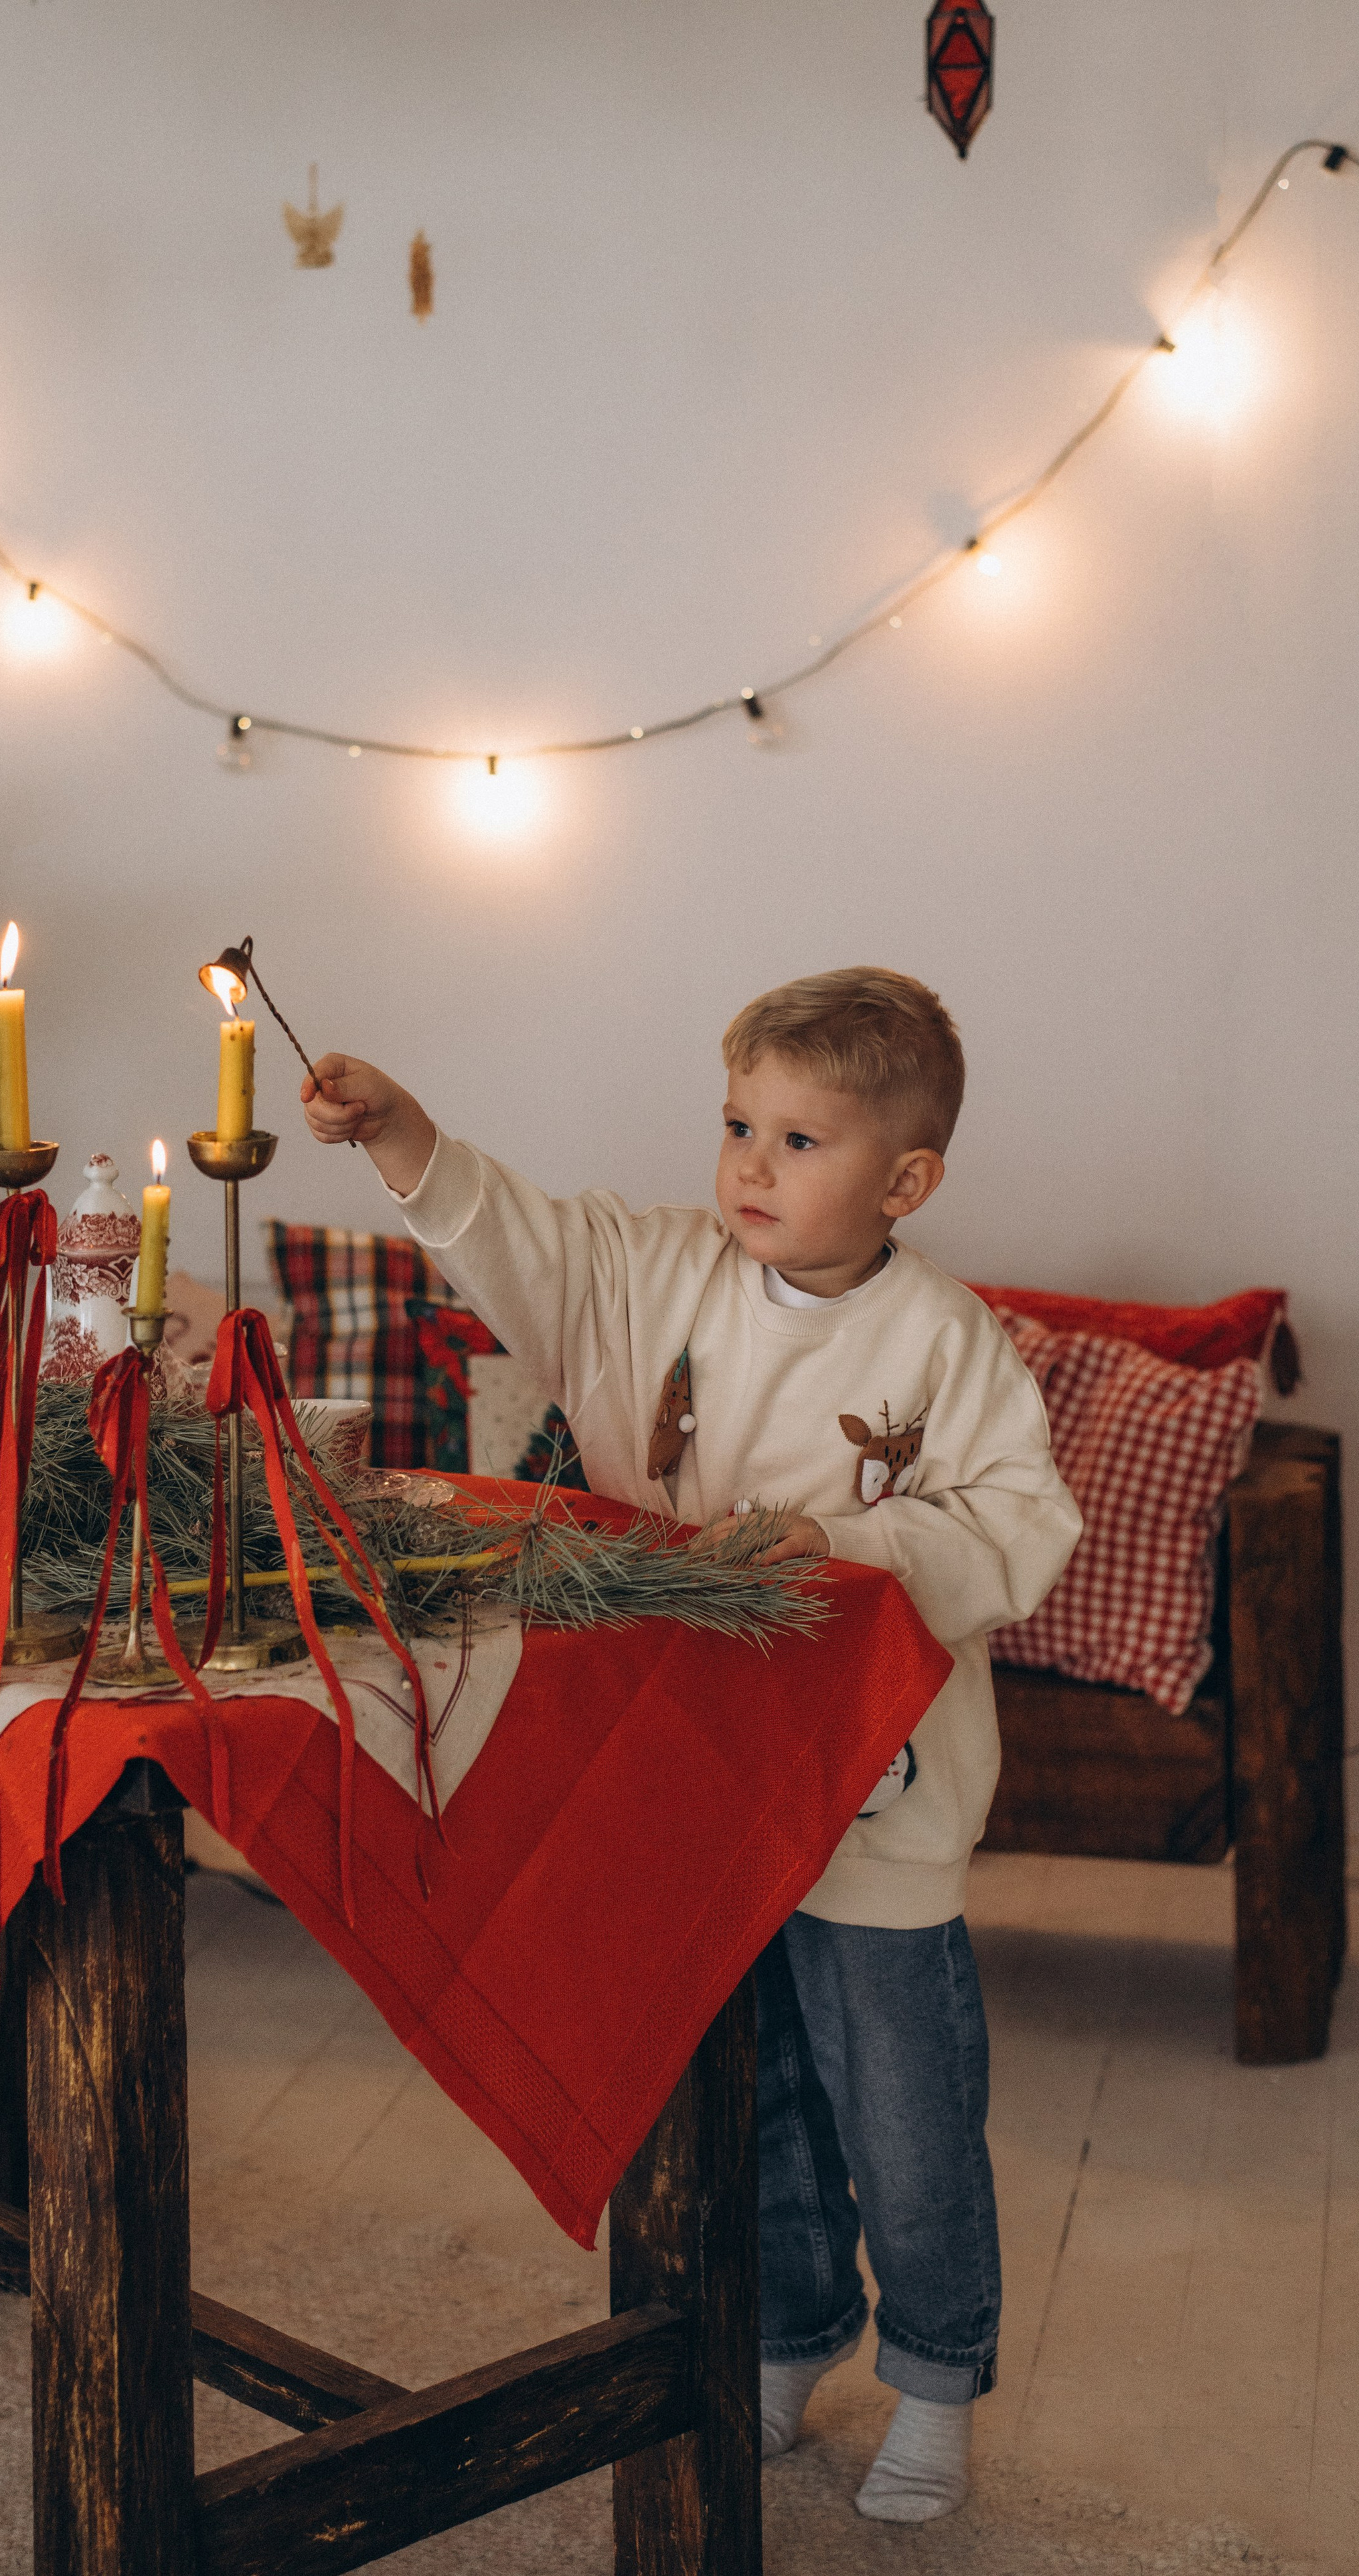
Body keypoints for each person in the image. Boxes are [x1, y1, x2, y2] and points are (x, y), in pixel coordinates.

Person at [300, 965, 1080, 2523]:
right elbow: (513, 1231)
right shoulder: (656, 1274)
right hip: (685, 1785)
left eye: (798, 1141)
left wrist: (832, 1541)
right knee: (754, 2101)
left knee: (901, 2114)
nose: (745, 1165)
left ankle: (934, 2377)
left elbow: (1017, 1519)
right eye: (737, 1124)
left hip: (874, 1798)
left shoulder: (947, 1340)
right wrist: (402, 1135)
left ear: (904, 1178)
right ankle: (787, 2337)